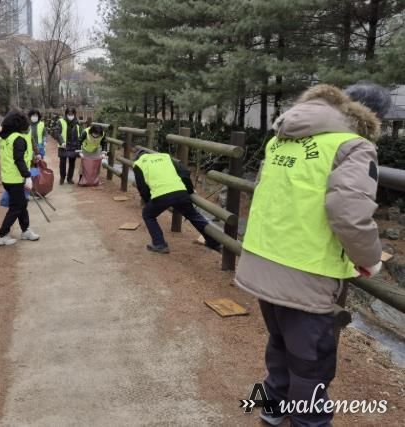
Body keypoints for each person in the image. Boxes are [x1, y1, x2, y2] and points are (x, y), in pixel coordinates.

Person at [235, 82, 390, 427]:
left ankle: (273, 406)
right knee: (311, 359)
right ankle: (311, 422)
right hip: (306, 268)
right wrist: (369, 258)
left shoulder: (281, 138)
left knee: (280, 341)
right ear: (371, 117)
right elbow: (349, 212)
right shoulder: (353, 146)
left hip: (263, 257)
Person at [133, 149, 222, 254]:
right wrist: (189, 190)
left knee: (147, 214)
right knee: (193, 215)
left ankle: (159, 244)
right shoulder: (165, 157)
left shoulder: (138, 164)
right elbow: (184, 173)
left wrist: (148, 201)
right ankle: (213, 241)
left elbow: (142, 187)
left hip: (161, 195)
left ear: (137, 157)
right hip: (180, 192)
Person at [0, 110, 40, 246]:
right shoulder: (18, 139)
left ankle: (25, 230)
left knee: (22, 204)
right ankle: (2, 234)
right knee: (16, 207)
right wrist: (28, 177)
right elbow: (19, 160)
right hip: (16, 179)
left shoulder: (3, 138)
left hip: (7, 178)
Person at [54, 107, 81, 185]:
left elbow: (80, 133)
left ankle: (70, 178)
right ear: (66, 114)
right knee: (62, 163)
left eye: (72, 114)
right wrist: (61, 142)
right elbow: (57, 132)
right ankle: (62, 177)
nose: (70, 116)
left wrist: (79, 145)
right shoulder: (60, 121)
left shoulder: (77, 122)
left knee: (72, 163)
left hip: (74, 145)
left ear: (74, 114)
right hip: (63, 145)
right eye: (69, 114)